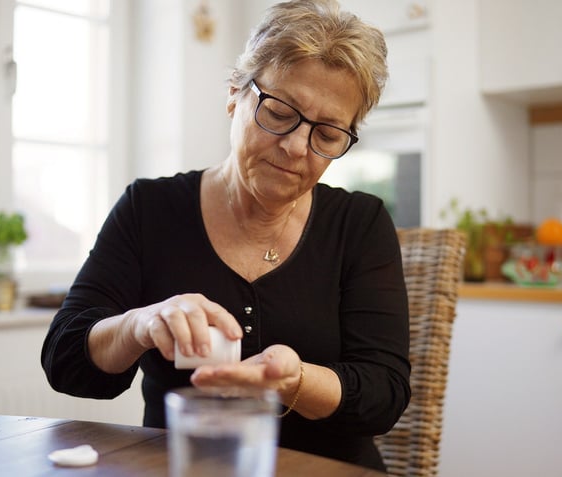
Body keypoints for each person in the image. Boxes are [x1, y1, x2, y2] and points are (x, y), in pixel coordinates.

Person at [41, 0, 410, 471]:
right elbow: (65, 361)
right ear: (236, 93)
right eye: (280, 111)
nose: (297, 146)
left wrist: (292, 379)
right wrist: (139, 324)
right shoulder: (150, 209)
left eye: (328, 134)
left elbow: (384, 394)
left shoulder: (360, 224)